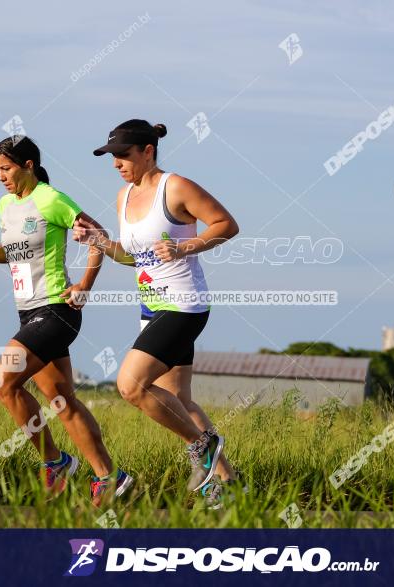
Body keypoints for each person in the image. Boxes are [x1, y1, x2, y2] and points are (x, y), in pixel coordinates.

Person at [74, 119, 243, 507]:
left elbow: (227, 225)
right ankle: (230, 485)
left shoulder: (176, 186)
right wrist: (99, 240)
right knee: (177, 399)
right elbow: (132, 257)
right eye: (111, 157)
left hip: (184, 305)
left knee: (130, 386)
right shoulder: (124, 196)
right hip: (151, 305)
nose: (116, 163)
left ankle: (202, 447)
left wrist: (188, 247)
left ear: (148, 151)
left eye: (123, 155)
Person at [0, 135, 131, 505]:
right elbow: (15, 255)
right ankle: (110, 478)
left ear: (28, 166)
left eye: (6, 168)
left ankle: (54, 462)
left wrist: (85, 285)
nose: (0, 177)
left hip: (57, 310)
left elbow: (99, 236)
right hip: (29, 313)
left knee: (3, 383)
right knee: (61, 401)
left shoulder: (52, 199)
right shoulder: (6, 205)